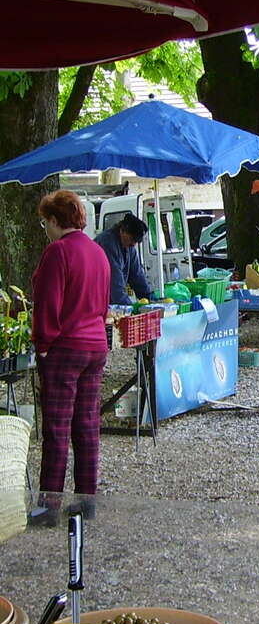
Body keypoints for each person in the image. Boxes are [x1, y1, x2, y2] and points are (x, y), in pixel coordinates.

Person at [31, 190, 111, 495]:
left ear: (54, 220)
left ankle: (49, 502)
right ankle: (85, 498)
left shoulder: (58, 251)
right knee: (87, 425)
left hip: (65, 346)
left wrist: (43, 344)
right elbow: (104, 304)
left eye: (45, 223)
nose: (46, 230)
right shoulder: (97, 252)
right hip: (95, 344)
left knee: (57, 427)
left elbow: (48, 303)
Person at [95, 213, 153, 305]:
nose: (134, 244)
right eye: (132, 239)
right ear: (122, 230)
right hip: (99, 299)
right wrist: (128, 307)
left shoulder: (129, 247)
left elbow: (137, 276)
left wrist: (150, 299)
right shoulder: (107, 243)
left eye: (136, 241)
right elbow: (115, 283)